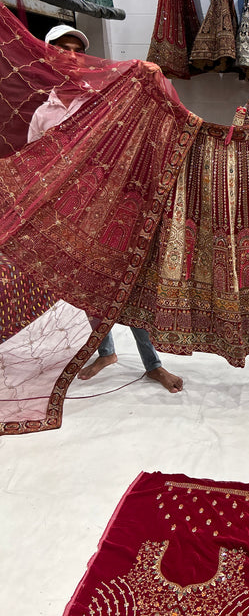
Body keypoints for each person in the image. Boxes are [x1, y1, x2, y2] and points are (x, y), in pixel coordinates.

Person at [28, 25, 183, 393]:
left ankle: (153, 364)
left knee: (128, 282)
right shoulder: (43, 114)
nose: (71, 55)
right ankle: (106, 351)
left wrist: (150, 75)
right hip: (71, 213)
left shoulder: (102, 99)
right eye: (62, 48)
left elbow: (141, 119)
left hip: (112, 206)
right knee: (88, 285)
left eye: (76, 49)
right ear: (48, 56)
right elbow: (35, 164)